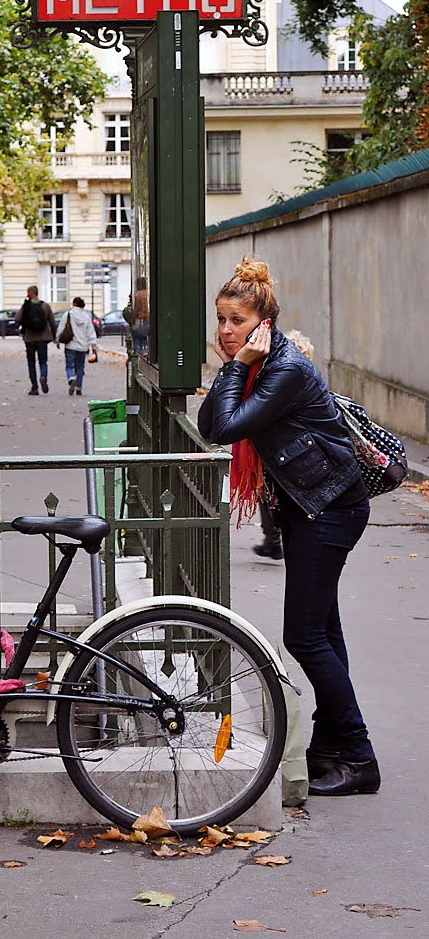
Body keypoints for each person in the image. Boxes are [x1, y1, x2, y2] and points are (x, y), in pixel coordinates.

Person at [197, 256, 378, 798]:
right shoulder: (260, 366)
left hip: (331, 508)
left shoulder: (282, 370)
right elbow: (210, 424)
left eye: (237, 321)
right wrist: (234, 368)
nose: (227, 332)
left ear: (263, 323)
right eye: (221, 321)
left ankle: (360, 756)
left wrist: (232, 369)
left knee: (303, 635)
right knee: (324, 632)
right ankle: (331, 749)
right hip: (309, 507)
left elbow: (224, 427)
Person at [254, 329, 317, 562]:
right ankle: (276, 538)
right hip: (299, 461)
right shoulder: (311, 383)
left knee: (268, 494)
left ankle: (272, 538)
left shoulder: (283, 386)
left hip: (283, 458)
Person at [17, 285, 56, 395]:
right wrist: (54, 336)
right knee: (43, 361)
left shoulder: (26, 306)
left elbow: (17, 319)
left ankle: (34, 387)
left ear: (30, 293)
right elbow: (53, 322)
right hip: (43, 338)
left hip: (29, 338)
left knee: (31, 362)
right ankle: (43, 376)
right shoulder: (45, 306)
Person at [57, 297, 97, 396]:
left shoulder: (68, 315)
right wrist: (93, 345)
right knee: (80, 367)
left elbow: (61, 328)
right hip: (83, 347)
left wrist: (57, 340)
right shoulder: (86, 317)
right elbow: (90, 332)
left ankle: (71, 378)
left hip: (70, 345)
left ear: (74, 304)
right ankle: (79, 388)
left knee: (69, 365)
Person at [130, 277, 150, 356]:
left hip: (140, 319)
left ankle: (138, 352)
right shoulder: (147, 293)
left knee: (136, 335)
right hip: (147, 319)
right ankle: (145, 350)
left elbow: (136, 309)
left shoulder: (138, 295)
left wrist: (133, 318)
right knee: (145, 335)